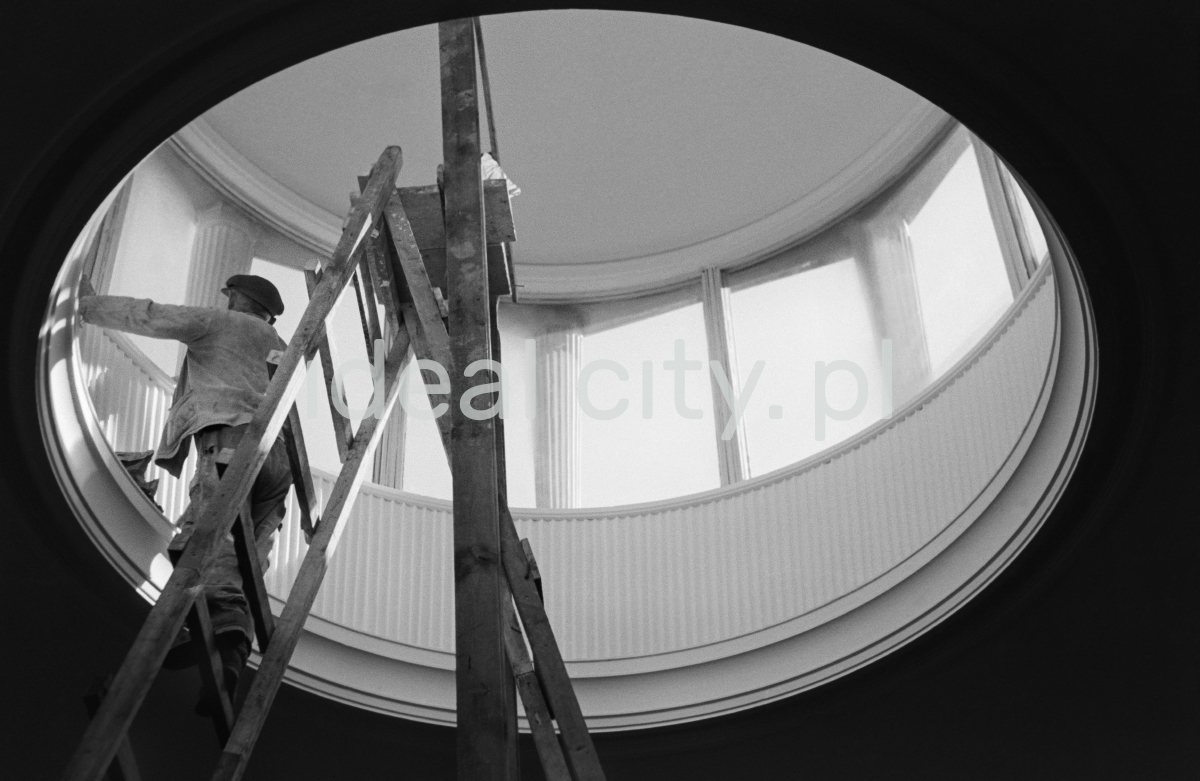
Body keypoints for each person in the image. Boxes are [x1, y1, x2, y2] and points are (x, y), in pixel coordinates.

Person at [77, 273, 293, 712]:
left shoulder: (222, 322)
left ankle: (217, 626)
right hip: (279, 464)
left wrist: (83, 303)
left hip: (234, 437)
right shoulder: (282, 346)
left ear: (239, 299)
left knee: (210, 537)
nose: (226, 300)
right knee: (250, 556)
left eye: (230, 295)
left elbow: (151, 316)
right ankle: (228, 654)